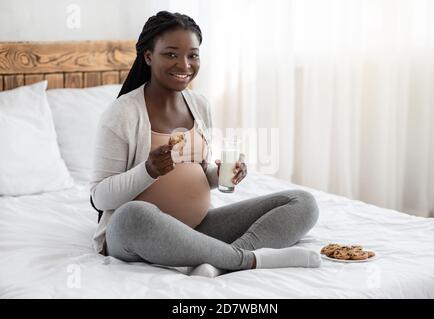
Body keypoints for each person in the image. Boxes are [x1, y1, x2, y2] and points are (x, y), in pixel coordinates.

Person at [90, 11, 321, 277]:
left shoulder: (199, 105)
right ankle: (246, 259)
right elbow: (99, 197)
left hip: (198, 228)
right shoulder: (122, 114)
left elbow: (199, 172)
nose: (184, 64)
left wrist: (223, 175)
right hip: (135, 233)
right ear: (149, 56)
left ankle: (216, 262)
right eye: (171, 54)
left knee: (302, 202)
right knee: (133, 215)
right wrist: (149, 170)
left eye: (193, 55)